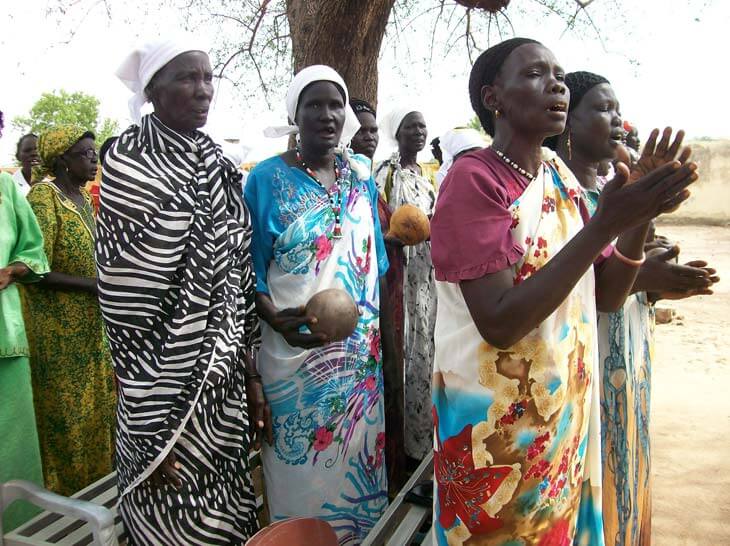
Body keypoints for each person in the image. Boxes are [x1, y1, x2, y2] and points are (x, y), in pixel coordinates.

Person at [429, 37, 698, 545]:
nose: (556, 84)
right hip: (495, 433)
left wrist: (638, 216)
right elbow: (500, 321)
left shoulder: (558, 178)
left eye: (558, 74)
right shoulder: (474, 180)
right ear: (493, 98)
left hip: (560, 426)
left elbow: (607, 295)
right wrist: (602, 227)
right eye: (534, 74)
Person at [96, 39, 263, 545]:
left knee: (227, 508)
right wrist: (153, 424)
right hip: (160, 387)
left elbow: (238, 271)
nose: (203, 90)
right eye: (188, 78)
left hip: (223, 383)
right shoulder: (128, 162)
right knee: (169, 515)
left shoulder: (215, 160)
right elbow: (125, 302)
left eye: (209, 78)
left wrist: (249, 372)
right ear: (153, 89)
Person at [548, 71, 718, 546]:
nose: (618, 119)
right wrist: (647, 274)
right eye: (603, 109)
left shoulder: (612, 185)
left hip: (629, 350)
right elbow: (576, 282)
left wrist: (662, 286)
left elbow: (629, 264)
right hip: (589, 357)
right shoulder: (558, 194)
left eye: (618, 108)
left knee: (627, 458)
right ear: (570, 124)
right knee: (594, 471)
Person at [246, 65, 390, 543]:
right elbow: (247, 271)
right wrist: (275, 320)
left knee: (359, 474)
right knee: (299, 480)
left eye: (336, 104)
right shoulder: (264, 180)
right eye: (314, 104)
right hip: (296, 363)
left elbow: (374, 264)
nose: (327, 115)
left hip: (358, 368)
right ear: (295, 113)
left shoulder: (361, 175)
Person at [22, 125, 115, 497]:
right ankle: (69, 505)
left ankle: (99, 495)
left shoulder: (79, 197)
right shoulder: (45, 198)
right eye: (85, 154)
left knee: (95, 411)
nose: (94, 160)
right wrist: (94, 286)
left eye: (94, 153)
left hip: (90, 329)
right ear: (62, 159)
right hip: (58, 333)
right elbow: (34, 268)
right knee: (68, 418)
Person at [350, 98, 407, 493]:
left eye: (373, 130)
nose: (369, 136)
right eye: (362, 129)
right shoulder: (372, 177)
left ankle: (392, 478)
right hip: (365, 299)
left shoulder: (366, 177)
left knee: (392, 385)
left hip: (389, 289)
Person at [375, 107, 437, 463]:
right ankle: (403, 450)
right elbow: (382, 223)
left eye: (422, 125)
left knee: (423, 353)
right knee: (404, 350)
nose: (418, 131)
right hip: (401, 277)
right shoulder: (387, 173)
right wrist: (395, 237)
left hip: (425, 278)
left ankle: (423, 443)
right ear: (397, 132)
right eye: (411, 126)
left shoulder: (423, 174)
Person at [0, 112, 49, 532]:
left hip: (5, 338)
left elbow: (34, 251)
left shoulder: (5, 190)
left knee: (11, 446)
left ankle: (18, 531)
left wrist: (11, 270)